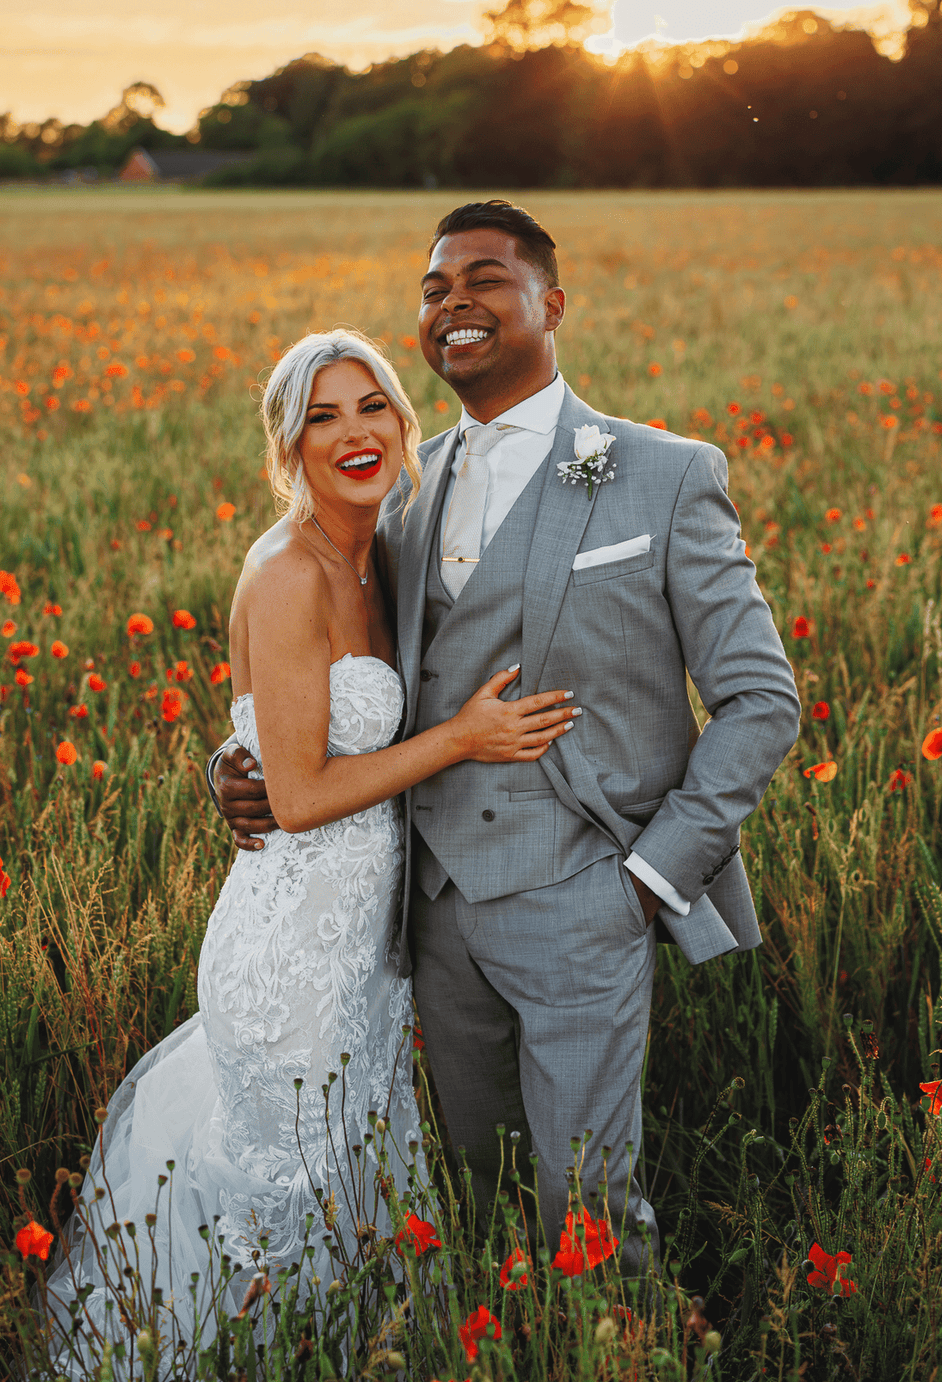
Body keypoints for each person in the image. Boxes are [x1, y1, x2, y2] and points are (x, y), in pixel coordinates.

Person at [214, 201, 801, 1274]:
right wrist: (240, 762)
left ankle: (625, 1345)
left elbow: (762, 701)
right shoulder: (398, 487)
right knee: (475, 1201)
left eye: (485, 279)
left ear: (552, 305)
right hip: (428, 919)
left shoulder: (662, 475)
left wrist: (650, 879)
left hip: (588, 899)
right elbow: (340, 667)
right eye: (434, 290)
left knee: (589, 1204)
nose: (454, 304)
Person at [45, 329, 574, 1366]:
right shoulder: (286, 572)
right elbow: (295, 793)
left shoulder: (395, 545)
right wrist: (461, 736)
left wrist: (225, 761)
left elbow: (274, 738)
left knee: (355, 1197)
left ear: (402, 420)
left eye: (370, 404)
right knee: (287, 1201)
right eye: (320, 417)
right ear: (288, 448)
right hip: (289, 956)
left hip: (366, 960)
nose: (353, 431)